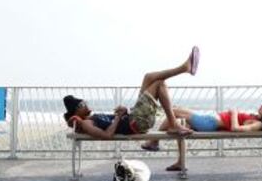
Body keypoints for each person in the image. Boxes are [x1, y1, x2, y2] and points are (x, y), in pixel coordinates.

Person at [63, 46, 200, 139]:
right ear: (76, 112)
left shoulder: (90, 119)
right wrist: (118, 116)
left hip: (134, 117)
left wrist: (123, 112)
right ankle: (173, 124)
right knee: (159, 84)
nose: (86, 104)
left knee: (148, 77)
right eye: (82, 104)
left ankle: (184, 68)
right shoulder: (86, 123)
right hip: (136, 123)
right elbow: (107, 135)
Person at [141, 98, 262, 171]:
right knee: (178, 123)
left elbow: (235, 128)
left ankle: (154, 141)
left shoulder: (258, 124)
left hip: (211, 122)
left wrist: (233, 112)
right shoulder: (256, 119)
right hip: (212, 119)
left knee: (173, 112)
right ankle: (180, 162)